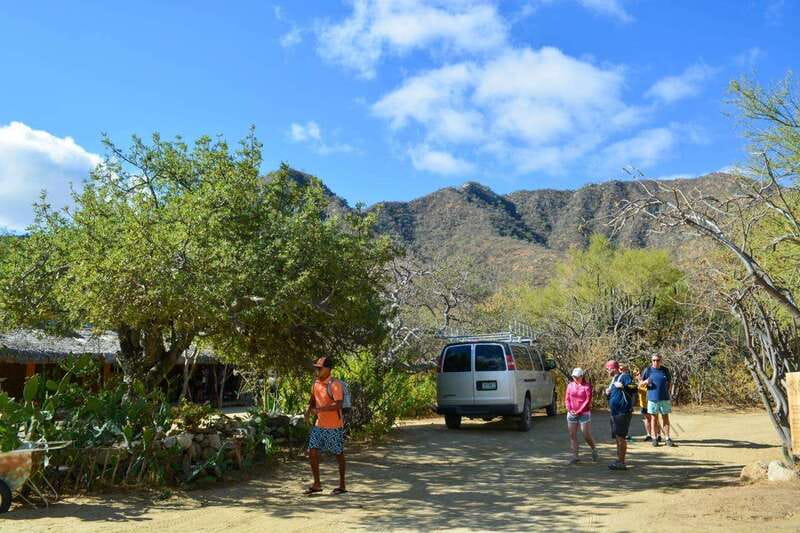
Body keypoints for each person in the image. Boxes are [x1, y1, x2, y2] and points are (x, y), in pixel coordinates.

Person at [304, 356, 347, 495]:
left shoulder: (335, 384)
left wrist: (320, 409)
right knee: (312, 451)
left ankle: (342, 485)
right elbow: (312, 399)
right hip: (319, 425)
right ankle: (317, 484)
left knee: (338, 454)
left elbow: (339, 404)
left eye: (319, 368)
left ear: (328, 369)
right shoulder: (316, 383)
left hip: (334, 426)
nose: (317, 370)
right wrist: (308, 409)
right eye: (316, 367)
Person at [604, 360, 637, 470]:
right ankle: (618, 460)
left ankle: (621, 462)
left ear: (614, 368)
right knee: (617, 437)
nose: (607, 371)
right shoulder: (614, 379)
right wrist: (607, 394)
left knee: (621, 437)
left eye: (608, 369)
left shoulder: (624, 376)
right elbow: (615, 396)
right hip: (614, 412)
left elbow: (634, 388)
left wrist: (624, 386)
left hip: (622, 412)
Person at [564, 367, 598, 464]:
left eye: (577, 377)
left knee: (585, 434)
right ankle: (575, 456)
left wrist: (579, 410)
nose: (575, 378)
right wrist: (569, 409)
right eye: (574, 377)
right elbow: (567, 398)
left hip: (584, 413)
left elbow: (587, 400)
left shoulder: (587, 386)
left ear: (582, 376)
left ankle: (594, 448)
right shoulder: (570, 385)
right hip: (571, 413)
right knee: (572, 435)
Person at [641, 354, 675, 447]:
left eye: (658, 360)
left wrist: (668, 392)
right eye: (654, 360)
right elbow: (640, 384)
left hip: (664, 398)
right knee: (653, 419)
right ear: (651, 361)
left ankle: (667, 438)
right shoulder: (647, 370)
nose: (656, 362)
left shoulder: (665, 370)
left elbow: (670, 383)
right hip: (652, 398)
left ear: (661, 360)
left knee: (665, 418)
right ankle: (654, 438)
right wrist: (645, 382)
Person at [635, 366, 655, 442]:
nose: (637, 375)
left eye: (639, 374)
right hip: (643, 404)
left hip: (650, 402)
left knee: (654, 419)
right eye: (636, 374)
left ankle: (657, 435)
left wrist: (641, 383)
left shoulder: (647, 381)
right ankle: (648, 435)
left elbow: (647, 389)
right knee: (647, 419)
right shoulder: (638, 383)